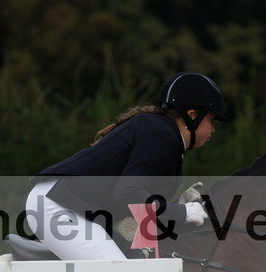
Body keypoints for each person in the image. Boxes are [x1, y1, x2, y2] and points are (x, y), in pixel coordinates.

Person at [25, 71, 227, 260]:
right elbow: (127, 193)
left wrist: (174, 206)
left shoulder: (164, 135)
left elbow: (133, 197)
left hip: (71, 205)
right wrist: (181, 212)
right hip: (58, 205)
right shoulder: (162, 135)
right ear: (192, 115)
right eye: (211, 120)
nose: (214, 130)